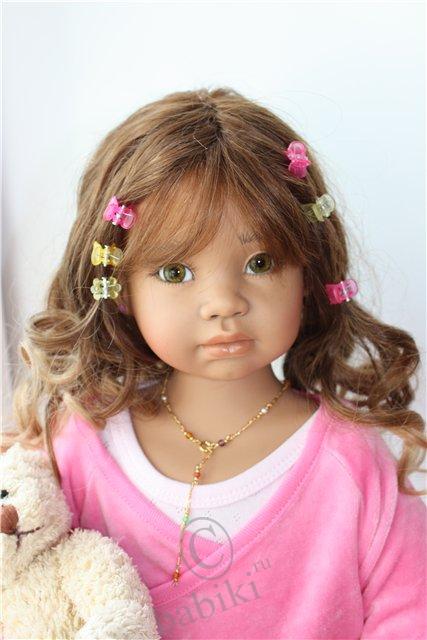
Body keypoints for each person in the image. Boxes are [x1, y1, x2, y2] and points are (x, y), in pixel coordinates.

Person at [4, 87, 426, 639]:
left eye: (260, 263)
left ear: (307, 270)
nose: (224, 302)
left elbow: (410, 616)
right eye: (176, 272)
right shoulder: (80, 442)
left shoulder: (352, 465)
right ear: (121, 288)